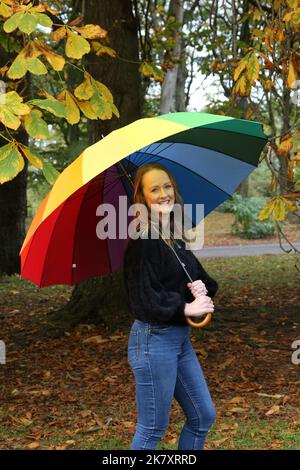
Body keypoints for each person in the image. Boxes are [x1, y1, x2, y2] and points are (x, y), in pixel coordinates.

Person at [123, 162, 218, 450]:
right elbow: (142, 298)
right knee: (153, 428)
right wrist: (185, 308)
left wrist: (201, 289)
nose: (163, 194)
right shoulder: (143, 239)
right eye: (154, 189)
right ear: (142, 198)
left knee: (202, 415)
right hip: (153, 340)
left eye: (167, 186)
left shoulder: (173, 237)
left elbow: (198, 278)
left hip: (178, 341)